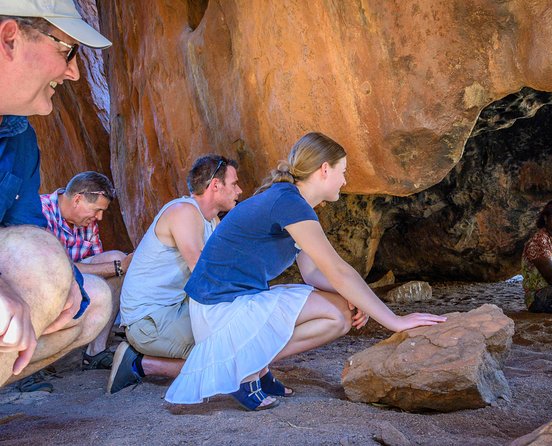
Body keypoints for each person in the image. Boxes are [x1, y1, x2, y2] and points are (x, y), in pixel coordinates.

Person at [165, 132, 447, 410]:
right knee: (337, 310)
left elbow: (312, 273)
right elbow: (338, 270)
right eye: (343, 171)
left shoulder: (291, 201)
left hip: (233, 304)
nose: (345, 180)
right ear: (325, 169)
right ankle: (245, 369)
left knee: (340, 317)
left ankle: (255, 364)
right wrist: (394, 321)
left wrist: (354, 298)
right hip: (218, 310)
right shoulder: (288, 202)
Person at [0, 0, 113, 388]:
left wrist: (68, 284)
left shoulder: (21, 139)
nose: (74, 72)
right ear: (9, 38)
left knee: (93, 301)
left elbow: (25, 229)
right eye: (66, 50)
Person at [107, 155, 242, 394]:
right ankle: (139, 363)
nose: (239, 190)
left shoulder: (211, 220)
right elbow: (203, 273)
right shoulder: (183, 213)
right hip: (148, 320)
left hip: (173, 309)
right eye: (234, 184)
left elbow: (228, 266)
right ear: (215, 185)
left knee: (234, 341)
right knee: (224, 354)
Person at [41, 171, 132, 370]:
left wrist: (117, 266)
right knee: (116, 265)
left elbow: (100, 265)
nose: (99, 217)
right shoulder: (40, 211)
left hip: (75, 284)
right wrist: (118, 268)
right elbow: (56, 267)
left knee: (115, 258)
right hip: (43, 284)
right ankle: (34, 359)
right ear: (78, 199)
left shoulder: (87, 222)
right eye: (96, 210)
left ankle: (95, 352)